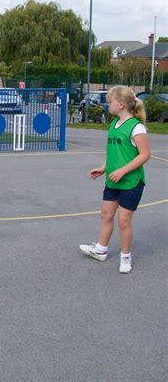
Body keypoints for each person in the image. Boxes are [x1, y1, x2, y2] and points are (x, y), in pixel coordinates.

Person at [79, 86, 151, 274]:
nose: (108, 105)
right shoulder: (114, 124)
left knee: (124, 221)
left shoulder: (136, 127)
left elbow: (144, 155)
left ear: (120, 104)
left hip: (131, 181)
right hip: (113, 180)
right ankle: (101, 249)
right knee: (106, 215)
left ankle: (125, 257)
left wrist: (123, 171)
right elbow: (113, 152)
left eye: (110, 101)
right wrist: (104, 167)